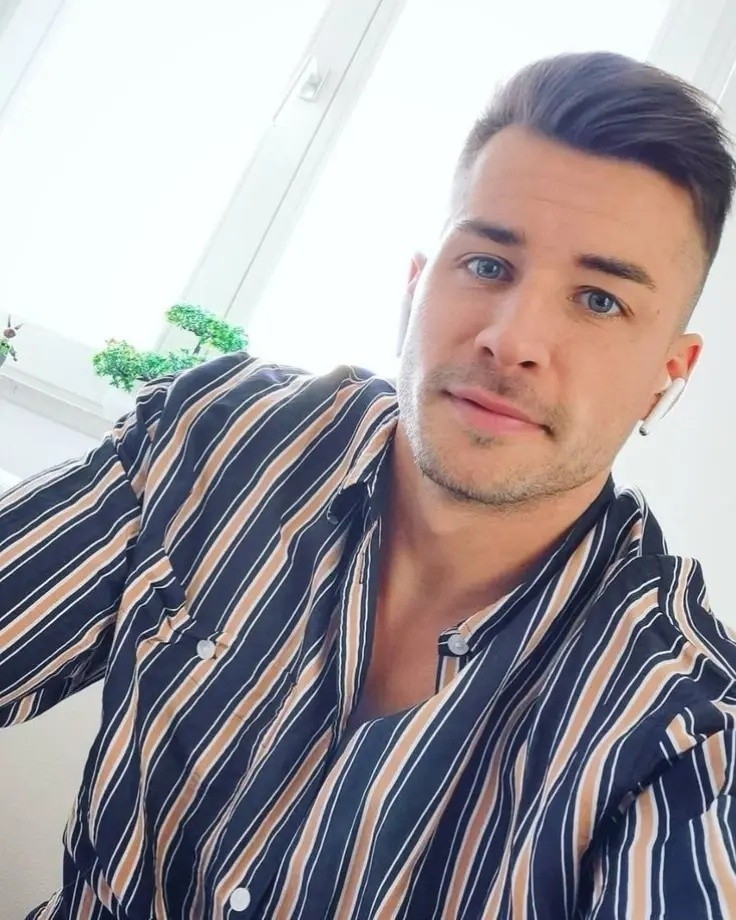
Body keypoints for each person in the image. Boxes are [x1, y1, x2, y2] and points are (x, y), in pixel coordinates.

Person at [1, 50, 736, 920]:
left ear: (666, 376)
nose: (512, 339)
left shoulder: (682, 729)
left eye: (600, 300)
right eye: (488, 266)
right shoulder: (220, 437)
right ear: (415, 288)